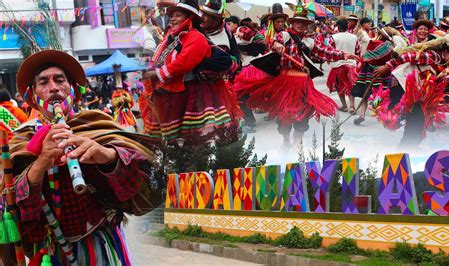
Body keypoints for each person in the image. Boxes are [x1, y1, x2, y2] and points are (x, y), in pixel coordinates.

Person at [6, 49, 158, 264]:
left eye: (60, 80)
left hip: (101, 244)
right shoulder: (22, 139)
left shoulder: (97, 123)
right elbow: (10, 203)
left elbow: (139, 183)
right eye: (43, 83)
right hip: (51, 252)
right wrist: (41, 162)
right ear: (32, 96)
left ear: (74, 90)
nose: (54, 88)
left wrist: (107, 155)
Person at [236, 1, 357, 147]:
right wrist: (277, 44)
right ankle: (286, 141)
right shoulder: (285, 35)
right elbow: (276, 40)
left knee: (303, 113)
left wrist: (344, 55)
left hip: (304, 84)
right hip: (285, 83)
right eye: (298, 22)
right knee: (284, 113)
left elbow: (324, 51)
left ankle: (297, 143)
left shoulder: (309, 41)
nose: (301, 25)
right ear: (292, 23)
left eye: (304, 23)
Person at [141, 0, 241, 143]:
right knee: (178, 141)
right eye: (172, 16)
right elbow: (162, 58)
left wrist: (157, 73)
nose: (173, 19)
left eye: (178, 15)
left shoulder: (195, 37)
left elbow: (184, 62)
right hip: (176, 92)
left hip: (193, 94)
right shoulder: (174, 36)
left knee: (196, 139)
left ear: (190, 18)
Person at [327, 18, 361, 114]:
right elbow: (358, 51)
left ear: (338, 27)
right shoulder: (354, 37)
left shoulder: (333, 37)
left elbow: (329, 51)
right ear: (347, 27)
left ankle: (344, 105)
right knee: (351, 86)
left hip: (338, 65)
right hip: (351, 65)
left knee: (339, 86)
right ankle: (352, 106)